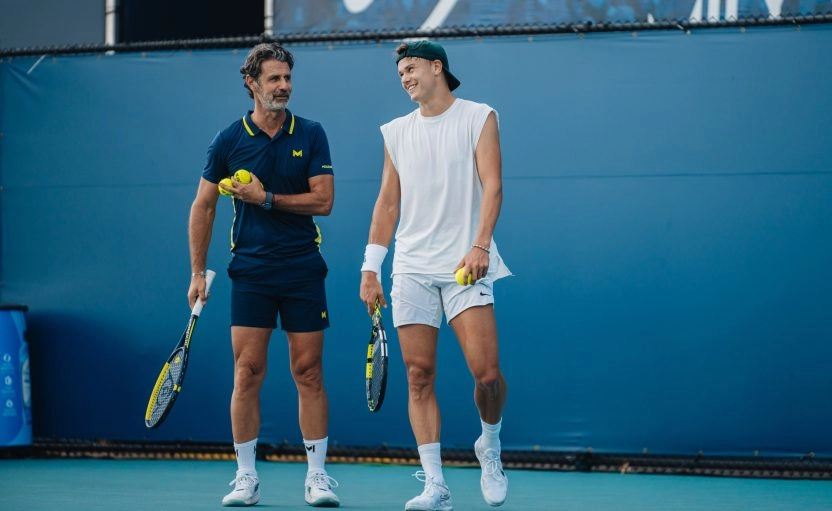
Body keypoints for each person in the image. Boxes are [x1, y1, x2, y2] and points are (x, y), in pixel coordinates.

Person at [359, 40, 511, 510]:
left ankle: (490, 444)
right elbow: (388, 202)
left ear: (436, 67)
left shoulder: (479, 116)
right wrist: (371, 266)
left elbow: (494, 187)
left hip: (465, 265)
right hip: (411, 267)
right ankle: (435, 485)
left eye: (411, 68)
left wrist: (480, 243)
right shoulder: (396, 132)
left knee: (486, 376)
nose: (404, 78)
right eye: (399, 72)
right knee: (418, 375)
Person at [188, 42, 340, 508]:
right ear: (251, 84)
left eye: (287, 78)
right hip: (250, 272)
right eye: (274, 79)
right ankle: (246, 476)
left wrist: (266, 198)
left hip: (301, 270)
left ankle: (317, 477)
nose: (284, 87)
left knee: (308, 371)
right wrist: (197, 271)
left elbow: (324, 202)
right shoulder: (228, 140)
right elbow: (204, 206)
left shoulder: (311, 134)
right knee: (247, 372)